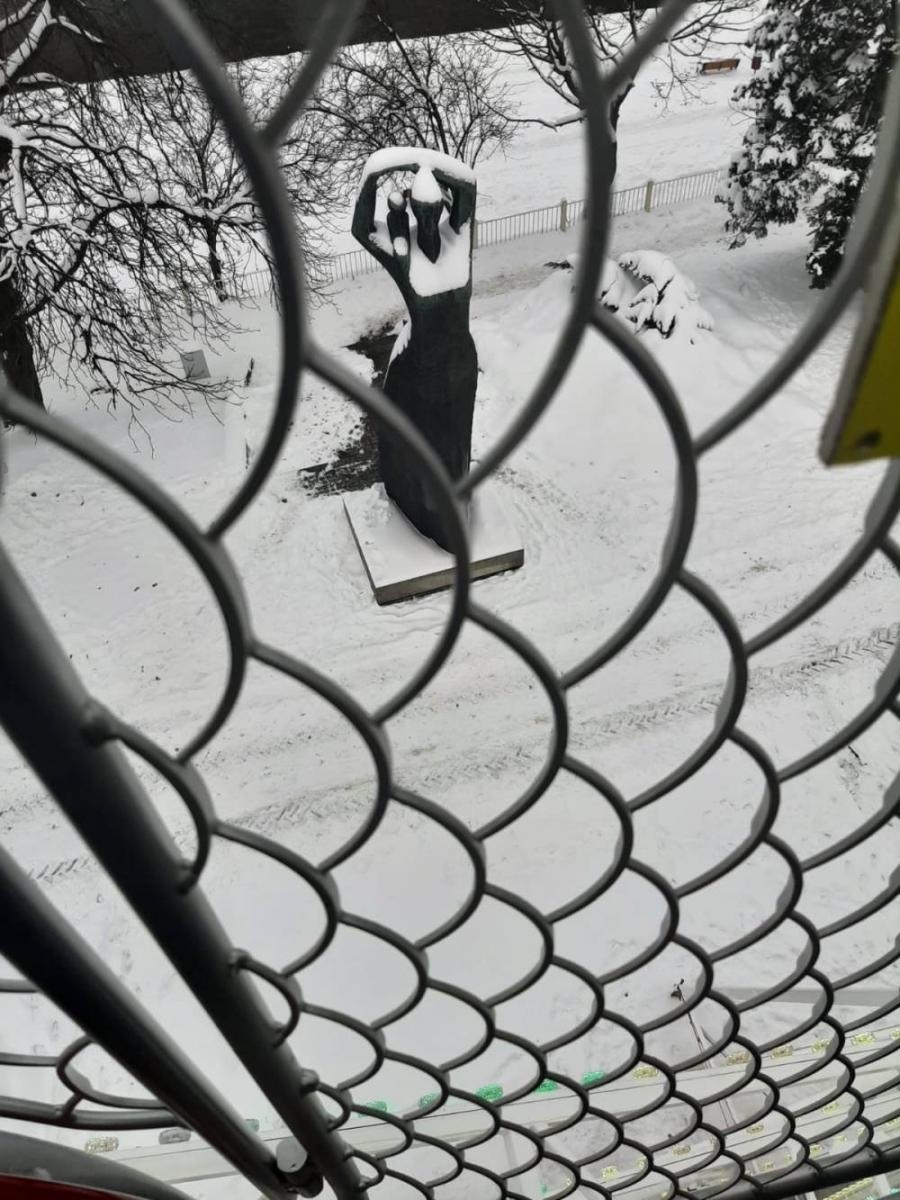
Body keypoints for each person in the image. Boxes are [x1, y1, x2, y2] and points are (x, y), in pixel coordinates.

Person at [352, 150, 478, 551]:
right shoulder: (403, 255)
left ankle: (453, 520)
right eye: (422, 212)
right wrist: (374, 173)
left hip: (460, 368)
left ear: (440, 208)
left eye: (433, 210)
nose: (427, 219)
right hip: (420, 376)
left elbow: (468, 184)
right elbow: (361, 229)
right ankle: (432, 521)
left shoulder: (458, 242)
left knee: (455, 452)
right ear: (412, 212)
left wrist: (420, 163)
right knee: (425, 457)